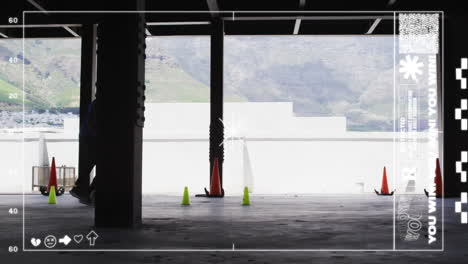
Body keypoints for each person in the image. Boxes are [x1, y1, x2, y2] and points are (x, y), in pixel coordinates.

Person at [70, 99, 97, 205]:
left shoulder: (95, 103)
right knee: (104, 163)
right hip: (93, 137)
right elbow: (94, 122)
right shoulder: (99, 104)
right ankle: (87, 190)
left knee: (89, 162)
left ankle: (81, 189)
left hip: (87, 136)